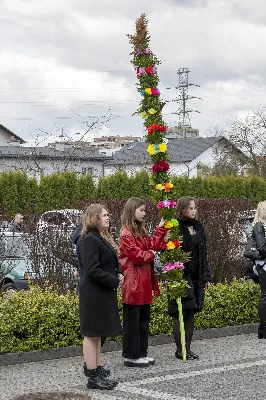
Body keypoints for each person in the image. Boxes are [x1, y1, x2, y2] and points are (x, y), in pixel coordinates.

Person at [79, 204, 123, 390]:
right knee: (91, 335)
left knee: (97, 334)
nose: (108, 217)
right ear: (94, 218)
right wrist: (114, 280)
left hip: (101, 293)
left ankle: (96, 369)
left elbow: (110, 261)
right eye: (104, 215)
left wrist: (119, 273)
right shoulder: (90, 239)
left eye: (107, 215)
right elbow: (92, 270)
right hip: (93, 294)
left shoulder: (99, 237)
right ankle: (93, 377)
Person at [119, 197, 167, 367]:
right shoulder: (126, 233)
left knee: (143, 319)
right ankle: (131, 355)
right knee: (133, 322)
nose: (144, 213)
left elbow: (152, 244)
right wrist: (153, 254)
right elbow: (136, 256)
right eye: (141, 210)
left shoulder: (140, 231)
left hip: (143, 282)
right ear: (132, 211)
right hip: (134, 284)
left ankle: (141, 352)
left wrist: (160, 230)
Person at [168, 196, 212, 360]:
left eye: (195, 208)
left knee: (191, 312)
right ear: (183, 209)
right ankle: (180, 349)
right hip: (181, 275)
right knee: (181, 312)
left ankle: (187, 348)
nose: (194, 211)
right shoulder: (176, 227)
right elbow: (170, 252)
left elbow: (204, 253)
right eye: (190, 208)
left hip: (196, 276)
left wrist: (206, 276)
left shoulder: (198, 227)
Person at [250, 201, 266, 339]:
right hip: (264, 264)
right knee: (265, 295)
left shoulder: (260, 225)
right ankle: (263, 328)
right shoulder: (260, 225)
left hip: (263, 263)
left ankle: (263, 328)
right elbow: (261, 247)